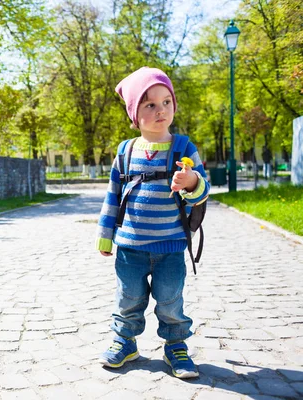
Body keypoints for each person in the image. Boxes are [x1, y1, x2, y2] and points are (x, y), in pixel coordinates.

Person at [95, 67, 210, 379]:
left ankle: (176, 346)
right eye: (149, 105)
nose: (161, 110)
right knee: (128, 297)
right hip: (130, 247)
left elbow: (202, 191)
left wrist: (190, 181)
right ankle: (125, 341)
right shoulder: (126, 151)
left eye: (166, 102)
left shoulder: (184, 148)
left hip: (171, 246)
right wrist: (106, 235)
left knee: (170, 299)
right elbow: (113, 195)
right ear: (135, 114)